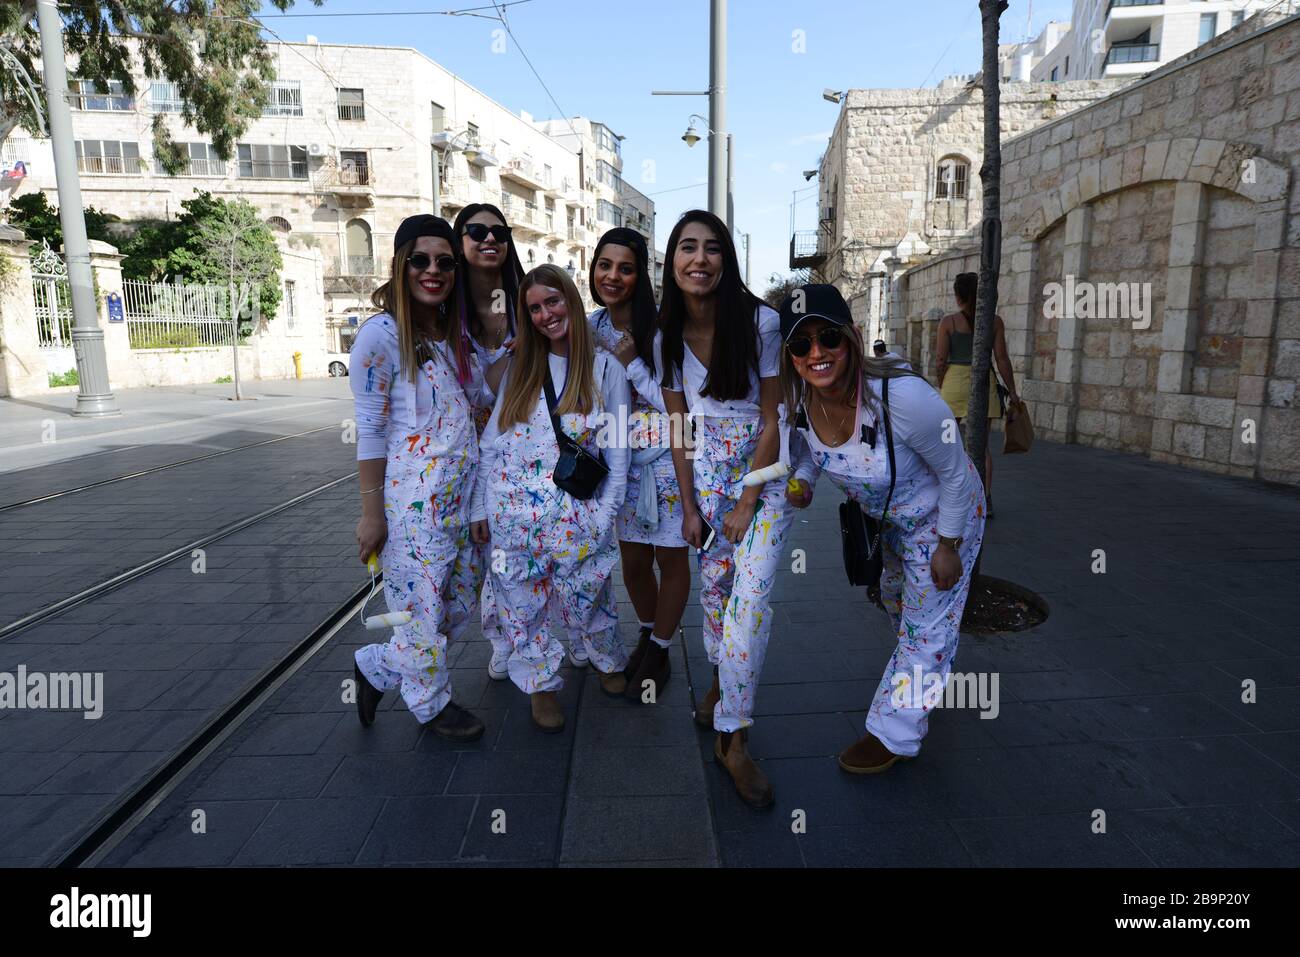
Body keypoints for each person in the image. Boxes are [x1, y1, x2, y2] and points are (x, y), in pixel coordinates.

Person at [783, 284, 986, 773]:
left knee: (923, 625)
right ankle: (928, 676)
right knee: (898, 602)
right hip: (890, 524)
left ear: (851, 338)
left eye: (827, 337)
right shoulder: (801, 404)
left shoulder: (904, 398)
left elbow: (956, 472)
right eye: (800, 343)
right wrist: (804, 481)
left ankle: (895, 732)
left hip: (945, 519)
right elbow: (811, 454)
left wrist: (949, 546)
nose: (816, 353)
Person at [660, 209, 793, 809]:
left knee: (752, 600)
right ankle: (720, 681)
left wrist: (747, 499)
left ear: (726, 260)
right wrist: (689, 506)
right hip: (705, 478)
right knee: (715, 595)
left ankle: (734, 740)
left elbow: (773, 419)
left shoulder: (760, 321)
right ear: (673, 261)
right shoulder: (665, 334)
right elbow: (679, 428)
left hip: (758, 476)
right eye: (687, 247)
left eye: (712, 249)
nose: (700, 259)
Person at [470, 264, 631, 732]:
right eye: (534, 308)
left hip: (578, 511)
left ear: (572, 302)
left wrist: (604, 515)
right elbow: (491, 444)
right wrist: (481, 506)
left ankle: (604, 656)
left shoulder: (605, 369)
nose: (545, 314)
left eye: (553, 302)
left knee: (591, 591)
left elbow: (618, 452)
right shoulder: (522, 366)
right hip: (514, 513)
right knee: (521, 600)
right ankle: (540, 684)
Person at [349, 214, 486, 741]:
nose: (433, 271)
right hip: (412, 507)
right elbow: (370, 431)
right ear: (401, 265)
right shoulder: (379, 337)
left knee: (456, 605)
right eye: (421, 260)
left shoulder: (454, 335)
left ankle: (378, 664)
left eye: (445, 262)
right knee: (419, 612)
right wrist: (370, 513)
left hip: (461, 499)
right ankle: (431, 704)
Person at [586, 227, 687, 701]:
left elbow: (676, 407)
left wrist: (632, 363)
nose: (612, 276)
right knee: (632, 561)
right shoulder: (591, 327)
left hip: (665, 462)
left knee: (670, 557)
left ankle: (661, 650)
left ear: (639, 275)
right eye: (604, 265)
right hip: (618, 464)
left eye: (625, 268)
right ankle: (648, 631)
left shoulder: (662, 328)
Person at [451, 204, 524, 679]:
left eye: (499, 231)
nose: (489, 239)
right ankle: (495, 634)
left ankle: (519, 640)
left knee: (515, 550)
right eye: (476, 231)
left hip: (518, 446)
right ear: (460, 240)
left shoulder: (523, 304)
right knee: (471, 554)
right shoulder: (442, 311)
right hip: (457, 453)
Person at [934, 272, 1019, 517]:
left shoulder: (948, 322)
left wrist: (943, 385)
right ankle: (985, 498)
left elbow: (940, 360)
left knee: (947, 441)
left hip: (954, 385)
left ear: (957, 295)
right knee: (982, 448)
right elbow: (1002, 359)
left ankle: (949, 494)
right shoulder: (995, 321)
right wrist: (1012, 390)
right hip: (984, 383)